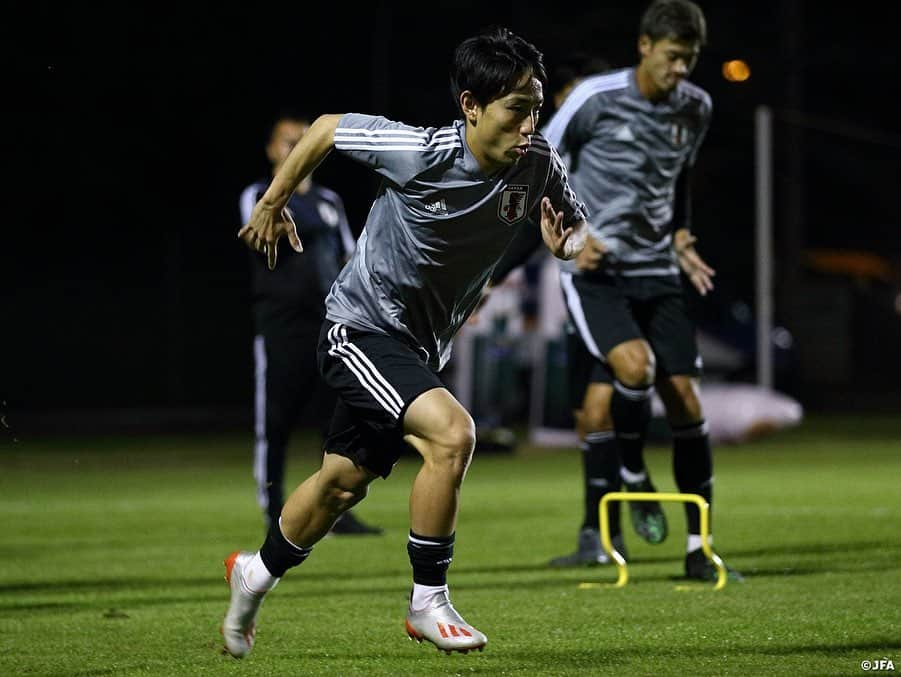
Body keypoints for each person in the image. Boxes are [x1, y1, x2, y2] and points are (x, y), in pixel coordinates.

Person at [221, 26, 587, 658]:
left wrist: (567, 247)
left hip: (417, 350)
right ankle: (428, 602)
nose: (531, 123)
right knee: (453, 434)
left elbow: (575, 228)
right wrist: (275, 199)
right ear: (471, 106)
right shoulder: (420, 152)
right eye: (516, 109)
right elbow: (328, 127)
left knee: (340, 484)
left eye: (537, 106)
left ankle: (254, 573)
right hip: (358, 331)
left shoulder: (539, 164)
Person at [538, 0, 742, 580]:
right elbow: (533, 163)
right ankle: (629, 464)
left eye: (691, 59)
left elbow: (679, 179)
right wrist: (571, 234)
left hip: (658, 270)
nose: (681, 69)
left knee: (686, 399)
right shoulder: (592, 98)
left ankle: (699, 549)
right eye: (673, 57)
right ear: (645, 46)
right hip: (595, 273)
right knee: (634, 368)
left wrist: (678, 233)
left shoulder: (696, 107)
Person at [240, 114, 382, 536]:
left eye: (303, 142)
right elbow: (252, 231)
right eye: (287, 142)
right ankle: (273, 511)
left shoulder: (329, 201)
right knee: (276, 423)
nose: (295, 148)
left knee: (338, 421)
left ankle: (336, 510)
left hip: (329, 328)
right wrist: (275, 208)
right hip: (281, 327)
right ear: (270, 149)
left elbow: (350, 257)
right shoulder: (259, 195)